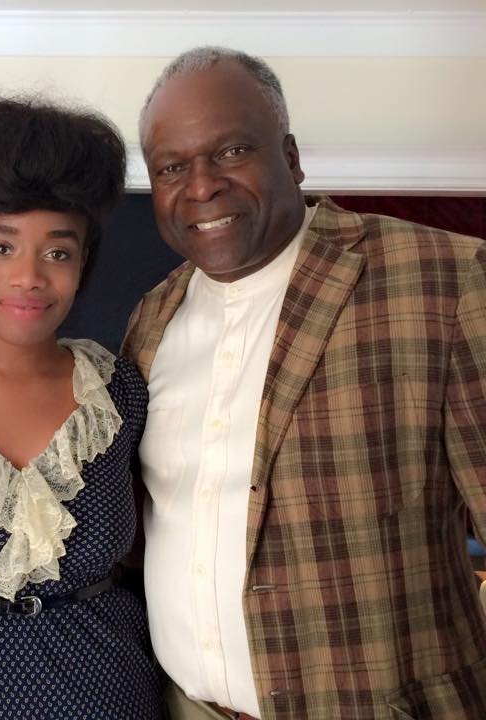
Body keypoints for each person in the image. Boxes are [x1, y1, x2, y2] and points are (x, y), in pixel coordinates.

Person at [124, 45, 486, 720]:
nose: (201, 186)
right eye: (172, 167)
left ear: (290, 158)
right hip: (185, 707)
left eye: (232, 151)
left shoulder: (442, 279)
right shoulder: (152, 320)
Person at [0, 98, 161, 719]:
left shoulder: (121, 392)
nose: (29, 277)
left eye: (57, 252)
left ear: (82, 264)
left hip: (109, 693)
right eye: (1, 247)